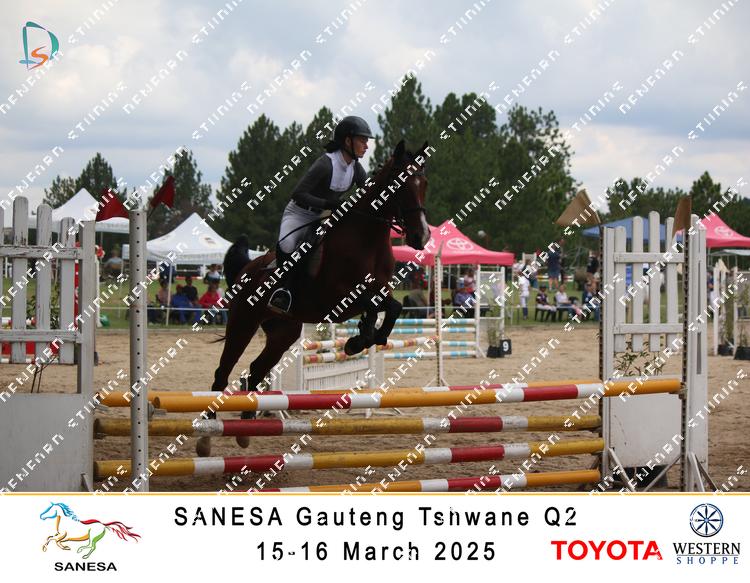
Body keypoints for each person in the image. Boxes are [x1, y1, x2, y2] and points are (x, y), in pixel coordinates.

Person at [267, 116, 373, 313]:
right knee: (288, 244)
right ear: (348, 141)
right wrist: (330, 204)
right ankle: (283, 290)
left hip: (324, 215)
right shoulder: (326, 164)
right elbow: (298, 193)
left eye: (366, 141)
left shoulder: (357, 169)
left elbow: (369, 194)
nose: (366, 146)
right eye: (362, 140)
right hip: (299, 213)